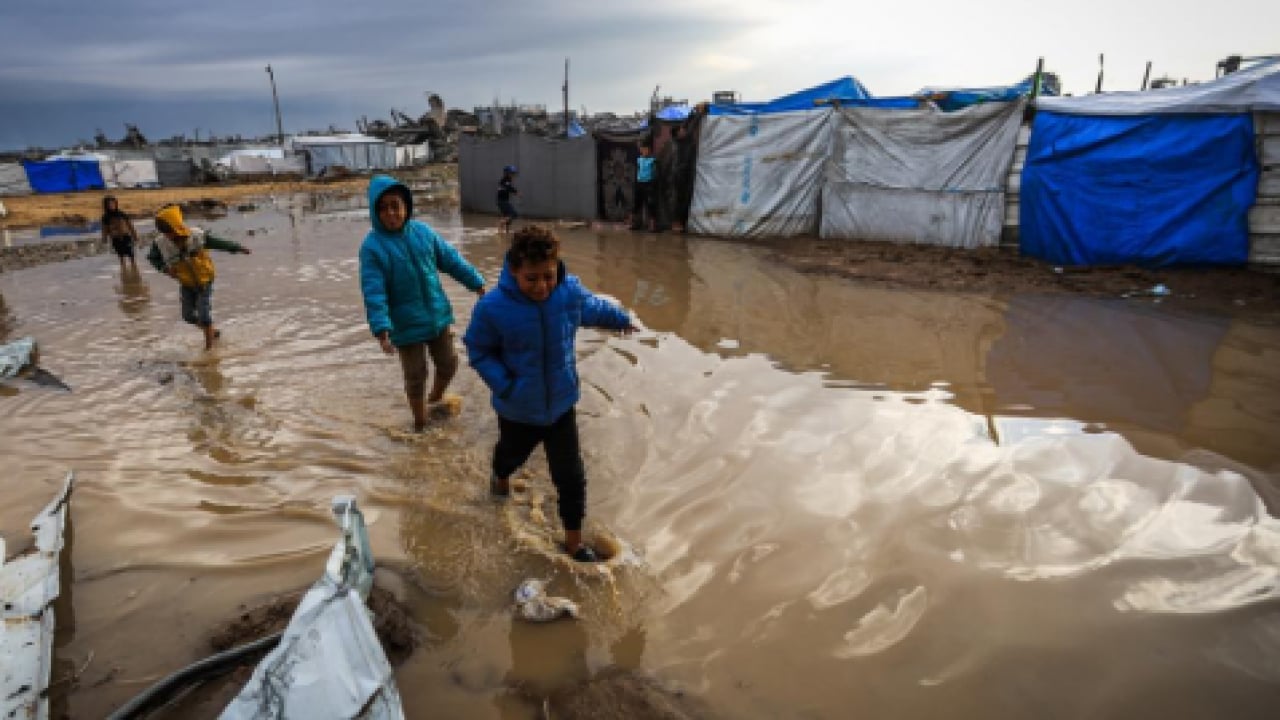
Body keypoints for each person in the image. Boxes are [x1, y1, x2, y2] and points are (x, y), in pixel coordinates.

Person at [463, 225, 635, 563]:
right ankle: (499, 478)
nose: (542, 286)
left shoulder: (567, 291)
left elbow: (592, 307)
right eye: (532, 278)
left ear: (557, 267)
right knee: (510, 457)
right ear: (514, 269)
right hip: (517, 409)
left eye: (548, 276)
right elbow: (478, 350)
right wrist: (506, 386)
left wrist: (620, 319)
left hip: (560, 405)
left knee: (571, 476)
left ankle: (573, 542)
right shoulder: (492, 307)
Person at [360, 174, 487, 432]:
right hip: (405, 326)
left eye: (395, 205)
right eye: (383, 208)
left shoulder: (424, 233)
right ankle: (420, 424)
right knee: (416, 376)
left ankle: (436, 398)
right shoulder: (372, 247)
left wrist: (477, 284)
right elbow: (374, 291)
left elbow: (451, 261)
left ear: (406, 206)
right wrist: (381, 329)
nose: (391, 213)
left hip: (437, 316)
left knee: (449, 363)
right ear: (375, 212)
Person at [147, 204, 251, 350]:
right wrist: (165, 269)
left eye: (169, 232)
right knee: (187, 316)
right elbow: (153, 258)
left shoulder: (195, 235)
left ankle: (209, 349)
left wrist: (237, 247)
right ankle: (212, 332)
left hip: (204, 280)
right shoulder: (160, 244)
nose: (168, 236)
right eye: (165, 233)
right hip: (186, 283)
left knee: (204, 316)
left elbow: (216, 243)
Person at [101, 195, 140, 272]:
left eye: (113, 203)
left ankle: (134, 268)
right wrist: (104, 238)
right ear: (106, 206)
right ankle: (123, 269)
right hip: (115, 238)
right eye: (109, 204)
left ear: (116, 204)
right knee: (120, 254)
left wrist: (135, 235)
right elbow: (104, 229)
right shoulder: (105, 217)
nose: (111, 205)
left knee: (130, 253)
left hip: (126, 236)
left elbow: (130, 225)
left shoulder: (122, 214)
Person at [631, 142, 656, 231]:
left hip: (648, 184)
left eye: (646, 149)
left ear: (649, 150)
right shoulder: (639, 160)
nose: (644, 151)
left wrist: (652, 183)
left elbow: (654, 173)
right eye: (642, 149)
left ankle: (652, 226)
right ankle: (635, 223)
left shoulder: (653, 160)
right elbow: (637, 171)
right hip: (639, 183)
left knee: (650, 205)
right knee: (637, 204)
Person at [497, 165, 519, 233]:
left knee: (507, 217)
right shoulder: (504, 180)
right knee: (514, 214)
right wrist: (516, 192)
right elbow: (509, 188)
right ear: (506, 173)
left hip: (502, 201)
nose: (513, 175)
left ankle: (505, 232)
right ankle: (501, 224)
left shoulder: (507, 180)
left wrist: (515, 191)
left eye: (513, 173)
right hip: (502, 202)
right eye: (511, 173)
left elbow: (508, 188)